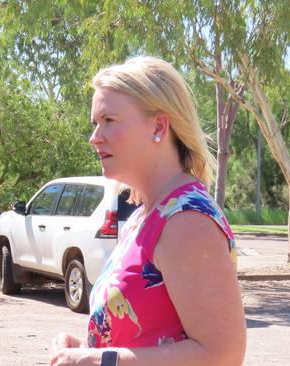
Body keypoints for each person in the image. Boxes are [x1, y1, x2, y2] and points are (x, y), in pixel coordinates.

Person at [50, 56, 246, 365]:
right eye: (95, 123)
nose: (94, 137)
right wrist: (88, 349)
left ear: (158, 125)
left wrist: (98, 361)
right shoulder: (144, 217)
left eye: (109, 121)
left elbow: (222, 356)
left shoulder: (186, 221)